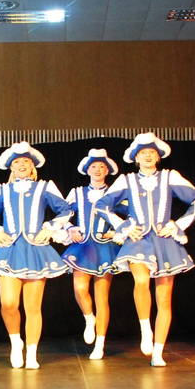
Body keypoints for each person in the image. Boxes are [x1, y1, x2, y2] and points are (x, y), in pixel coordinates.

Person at [95, 132, 195, 367]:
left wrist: (178, 224)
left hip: (164, 242)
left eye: (152, 152)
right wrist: (125, 226)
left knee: (164, 298)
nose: (148, 155)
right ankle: (145, 328)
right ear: (136, 158)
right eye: (143, 152)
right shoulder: (126, 180)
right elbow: (102, 205)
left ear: (158, 157)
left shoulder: (170, 177)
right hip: (138, 240)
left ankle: (158, 351)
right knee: (141, 281)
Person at [0, 142, 73, 369]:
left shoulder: (44, 187)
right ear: (11, 167)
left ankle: (32, 353)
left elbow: (66, 209)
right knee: (9, 303)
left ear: (33, 166)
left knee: (33, 307)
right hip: (10, 249)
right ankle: (15, 342)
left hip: (36, 250)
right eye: (17, 162)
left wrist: (50, 227)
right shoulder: (2, 190)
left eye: (26, 161)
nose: (22, 165)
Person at [62, 149, 121, 360]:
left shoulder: (115, 193)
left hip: (106, 248)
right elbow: (63, 214)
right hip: (83, 247)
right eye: (93, 166)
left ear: (107, 171)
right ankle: (89, 318)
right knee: (79, 288)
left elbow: (132, 215)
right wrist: (70, 228)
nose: (97, 170)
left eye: (101, 166)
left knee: (102, 298)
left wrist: (117, 231)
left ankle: (100, 344)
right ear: (87, 170)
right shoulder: (77, 193)